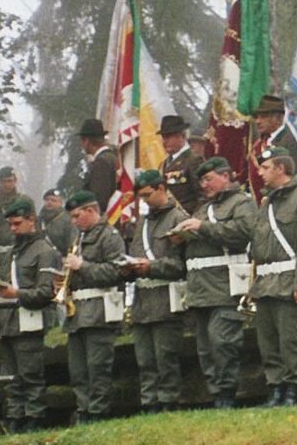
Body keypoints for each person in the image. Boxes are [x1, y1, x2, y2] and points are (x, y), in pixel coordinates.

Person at [184, 146, 297, 408]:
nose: (259, 173)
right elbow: (258, 248)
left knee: (291, 340)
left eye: (264, 167)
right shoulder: (266, 203)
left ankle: (292, 391)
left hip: (289, 281)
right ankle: (276, 389)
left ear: (280, 169)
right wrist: (253, 285)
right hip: (265, 284)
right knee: (269, 343)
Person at [170, 156, 256, 409]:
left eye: (208, 179)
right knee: (205, 348)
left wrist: (202, 227)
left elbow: (242, 234)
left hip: (225, 287)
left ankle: (227, 394)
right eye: (201, 180)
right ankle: (216, 393)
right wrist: (183, 237)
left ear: (226, 176)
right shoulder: (202, 208)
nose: (204, 185)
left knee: (223, 342)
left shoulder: (241, 203)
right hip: (200, 290)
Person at [0, 198, 60, 433]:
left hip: (31, 321)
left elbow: (46, 291)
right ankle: (14, 418)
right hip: (9, 323)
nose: (13, 229)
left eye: (17, 223)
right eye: (10, 224)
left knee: (30, 376)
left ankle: (34, 420)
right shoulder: (12, 252)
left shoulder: (45, 251)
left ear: (31, 220)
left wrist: (15, 293)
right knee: (11, 377)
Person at [59, 189, 126, 424]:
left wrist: (82, 266)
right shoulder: (79, 239)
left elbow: (115, 272)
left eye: (77, 216)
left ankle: (97, 414)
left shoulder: (110, 236)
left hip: (99, 311)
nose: (74, 222)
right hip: (77, 313)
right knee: (78, 371)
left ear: (91, 210)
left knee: (97, 368)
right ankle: (84, 411)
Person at [125, 169, 188, 413]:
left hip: (165, 300)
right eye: (141, 197)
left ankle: (168, 402)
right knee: (145, 360)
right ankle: (149, 403)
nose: (144, 201)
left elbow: (180, 264)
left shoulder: (178, 218)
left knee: (165, 358)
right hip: (142, 301)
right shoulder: (142, 222)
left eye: (147, 195)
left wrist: (151, 266)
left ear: (161, 189)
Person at [249, 95, 297, 199]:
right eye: (257, 116)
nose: (258, 121)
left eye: (263, 116)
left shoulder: (292, 142)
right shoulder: (258, 143)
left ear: (278, 118)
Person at [159, 115, 204, 214]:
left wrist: (196, 219)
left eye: (168, 137)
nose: (164, 141)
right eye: (163, 137)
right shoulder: (165, 163)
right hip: (169, 218)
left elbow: (202, 195)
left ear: (180, 136)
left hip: (187, 217)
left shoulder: (193, 160)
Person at [76, 119, 119, 212]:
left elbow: (99, 199)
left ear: (86, 141)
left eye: (82, 141)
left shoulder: (101, 162)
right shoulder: (112, 157)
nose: (82, 145)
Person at [39, 188, 76, 254]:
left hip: (60, 259)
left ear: (60, 203)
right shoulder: (39, 219)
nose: (49, 202)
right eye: (47, 200)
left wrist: (70, 256)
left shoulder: (68, 220)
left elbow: (72, 243)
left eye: (53, 200)